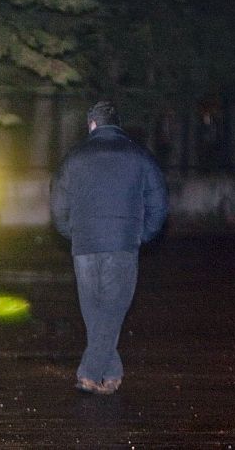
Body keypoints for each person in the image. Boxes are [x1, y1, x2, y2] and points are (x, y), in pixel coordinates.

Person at [50, 101, 168, 395]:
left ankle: (97, 373)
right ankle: (104, 373)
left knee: (95, 310)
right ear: (118, 124)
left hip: (85, 244)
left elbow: (57, 204)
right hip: (123, 243)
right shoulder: (140, 156)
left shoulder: (74, 158)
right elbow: (159, 202)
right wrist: (144, 233)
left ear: (92, 124)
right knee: (113, 309)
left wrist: (71, 232)